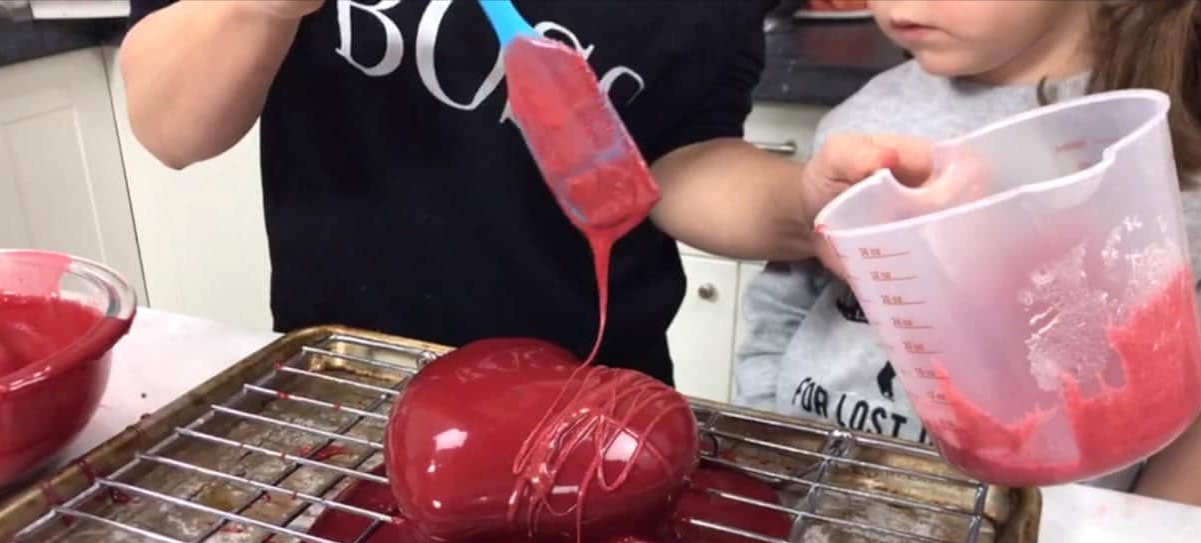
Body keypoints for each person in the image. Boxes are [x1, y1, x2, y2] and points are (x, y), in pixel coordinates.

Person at [120, 0, 905, 384]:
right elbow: (171, 127)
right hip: (350, 390)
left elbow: (682, 159)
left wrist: (807, 208)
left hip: (595, 401)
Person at [735, 0, 1201, 509]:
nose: (898, 5)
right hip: (822, 504)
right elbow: (782, 306)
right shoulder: (863, 121)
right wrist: (775, 465)